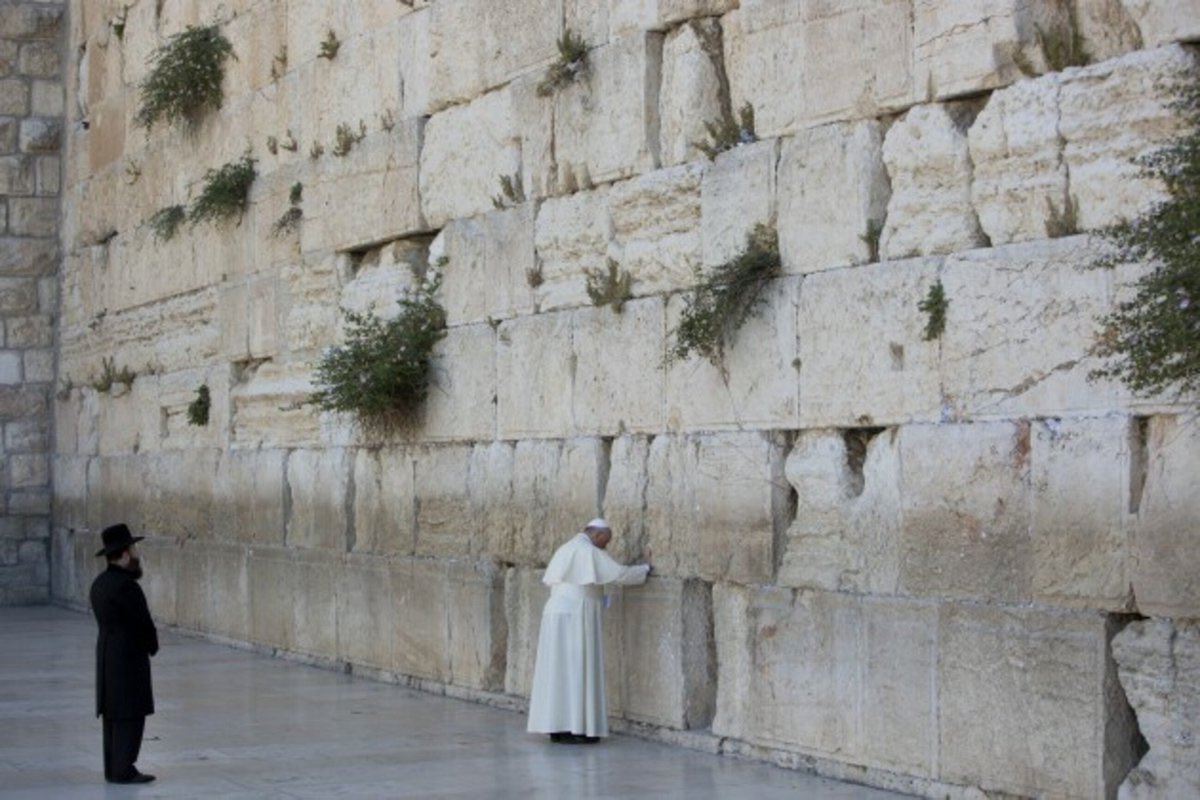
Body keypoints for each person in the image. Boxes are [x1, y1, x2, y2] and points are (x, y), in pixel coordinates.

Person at [527, 518, 650, 744]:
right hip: (575, 616)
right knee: (576, 669)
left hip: (555, 614)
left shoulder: (566, 548)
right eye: (606, 541)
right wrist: (645, 568)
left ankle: (557, 728)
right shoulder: (586, 550)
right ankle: (576, 728)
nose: (606, 546)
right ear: (598, 534)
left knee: (557, 671)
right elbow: (619, 574)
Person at [90, 523, 158, 784]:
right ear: (126, 554)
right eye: (134, 550)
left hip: (106, 655)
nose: (136, 555)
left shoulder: (99, 584)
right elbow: (143, 622)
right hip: (128, 656)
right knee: (130, 713)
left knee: (113, 715)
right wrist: (151, 645)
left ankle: (113, 768)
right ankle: (124, 769)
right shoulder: (127, 586)